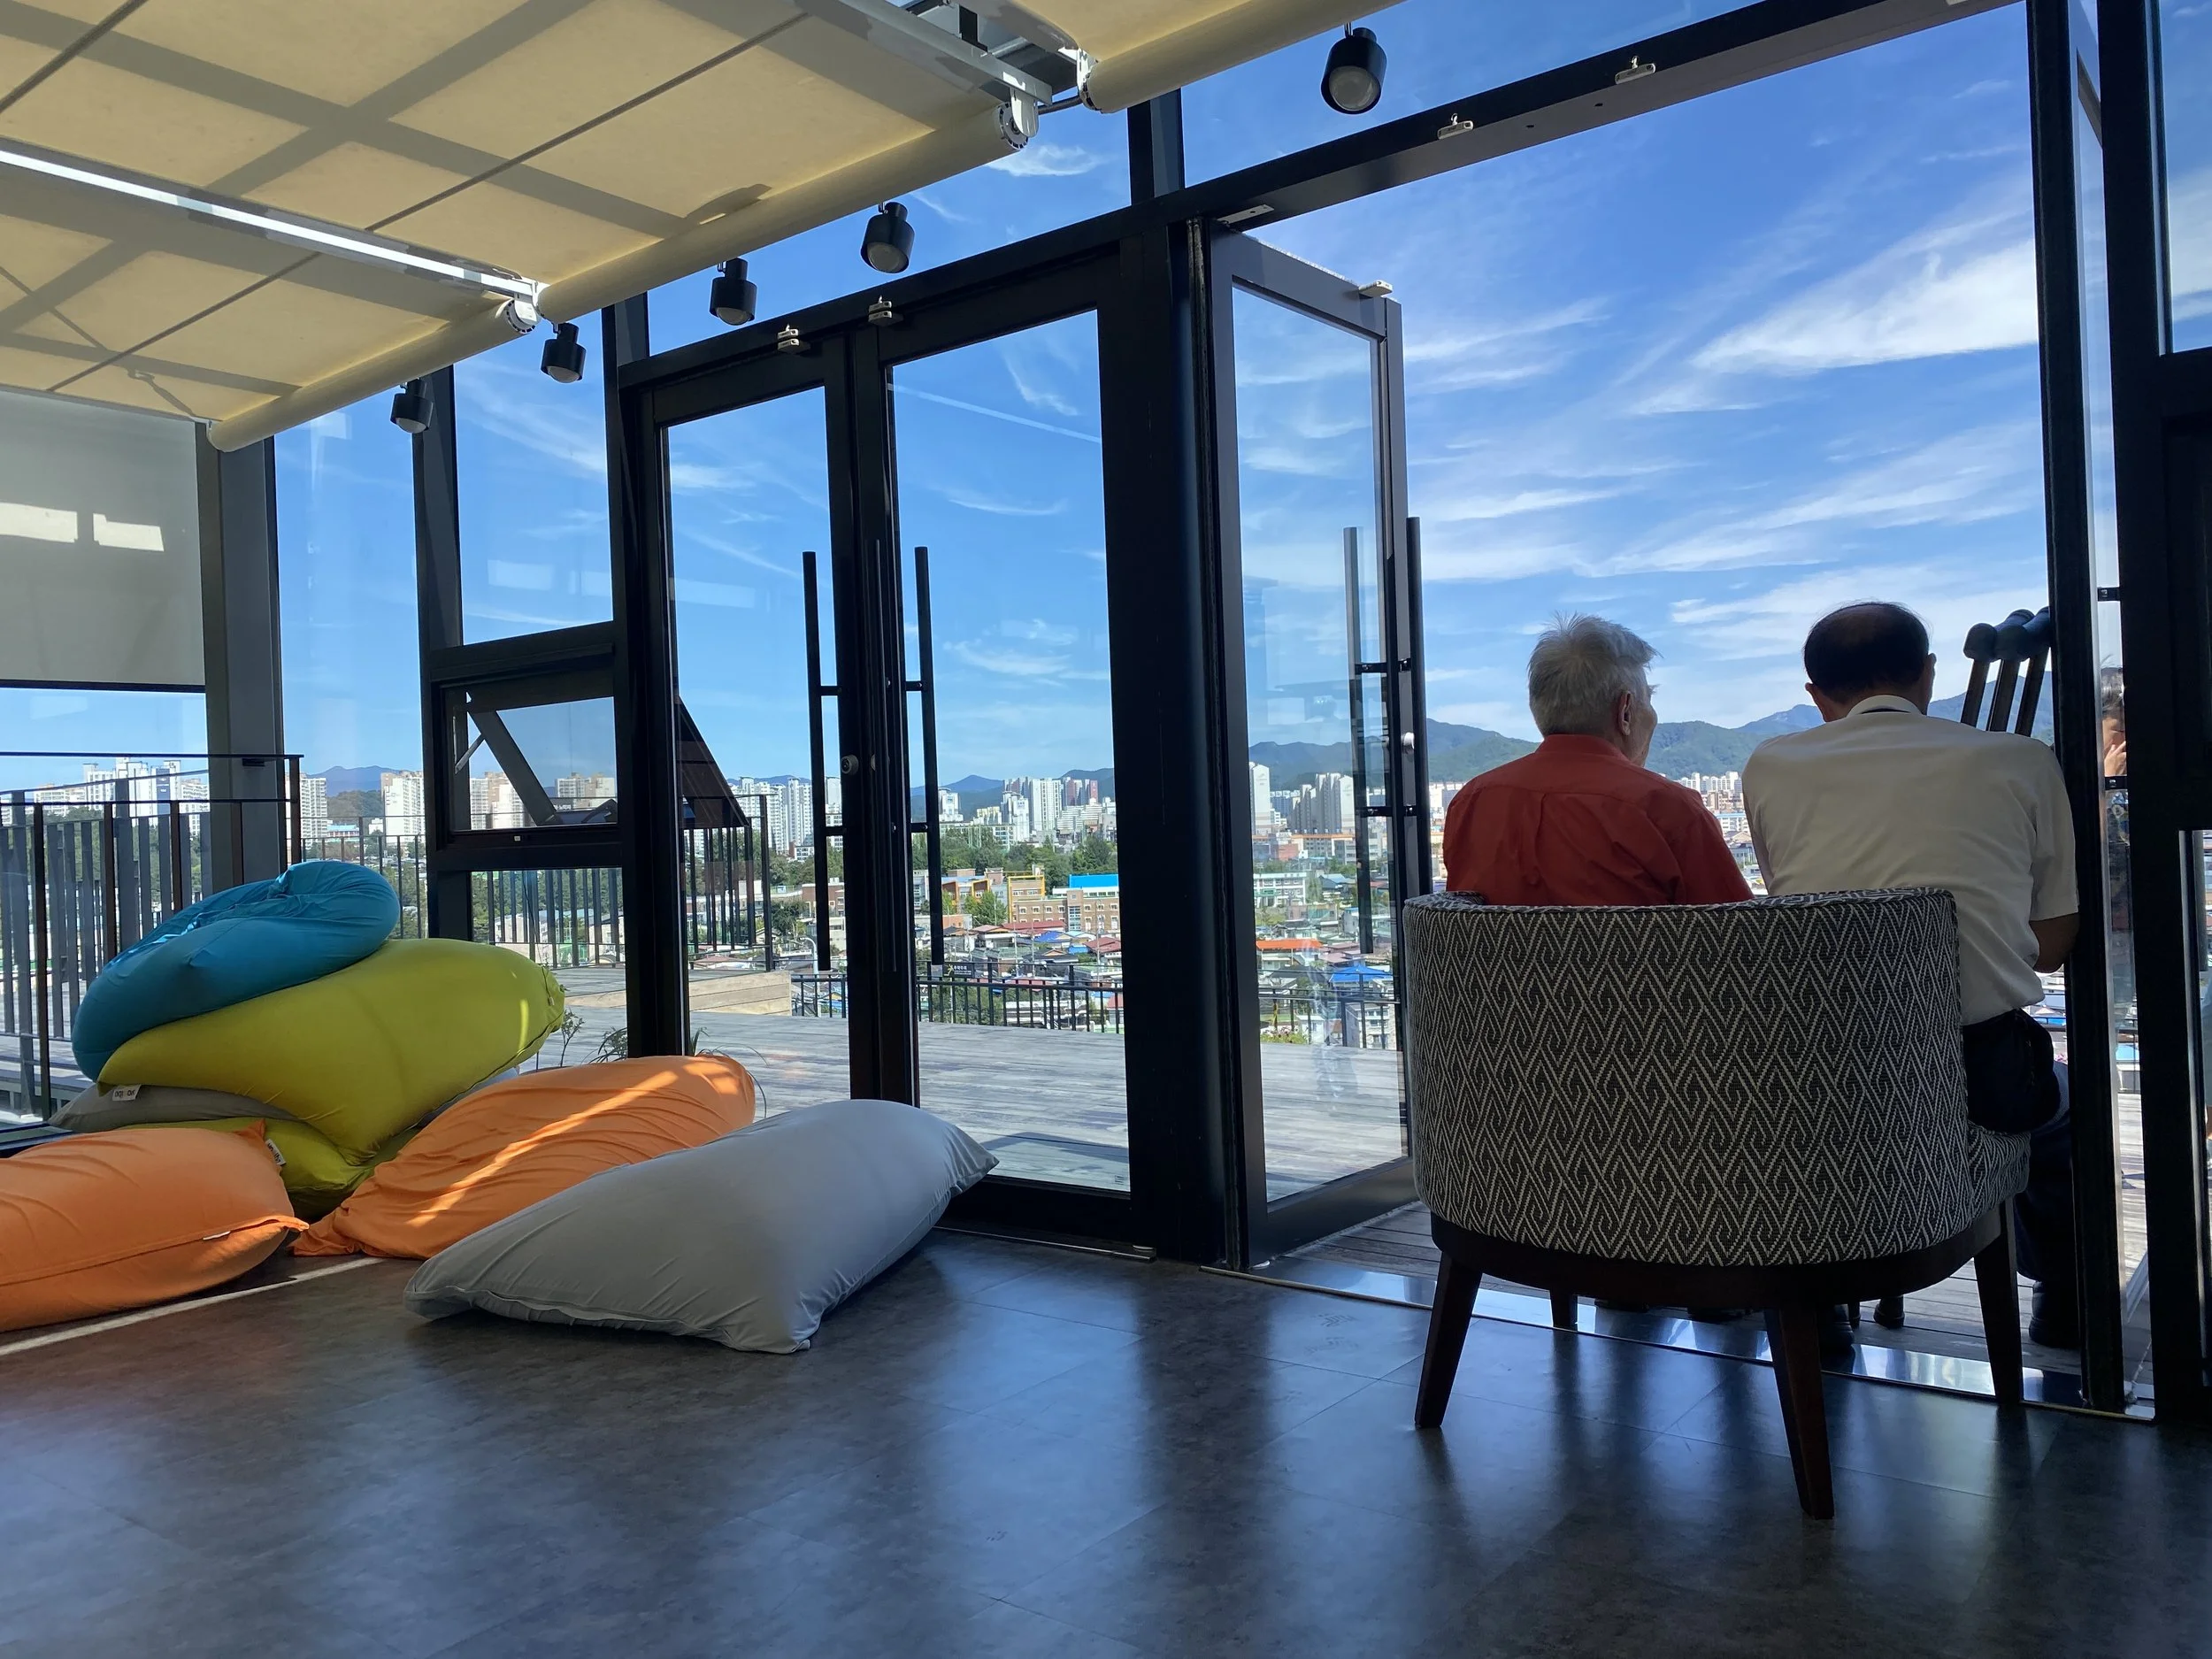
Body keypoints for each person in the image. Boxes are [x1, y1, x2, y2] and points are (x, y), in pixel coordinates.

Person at [1743, 602, 2080, 1350]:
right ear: (1929, 674)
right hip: (1978, 1072)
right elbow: (2053, 944)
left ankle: (1818, 1306)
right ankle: (2064, 1303)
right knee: (2066, 1108)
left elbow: (1800, 913)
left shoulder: (1768, 765)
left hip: (1817, 1077)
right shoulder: (2020, 758)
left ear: (1815, 694)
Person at [1441, 614, 1752, 906]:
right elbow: (1741, 932)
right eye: (1649, 700)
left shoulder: (1470, 804)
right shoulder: (1665, 809)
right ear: (1625, 712)